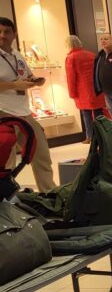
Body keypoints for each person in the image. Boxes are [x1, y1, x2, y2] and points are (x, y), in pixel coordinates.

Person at [0, 17, 55, 191]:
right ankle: (6, 196)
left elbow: (26, 75)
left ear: (14, 34)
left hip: (24, 112)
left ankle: (49, 193)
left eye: (7, 32)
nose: (2, 35)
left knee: (41, 153)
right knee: (6, 160)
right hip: (3, 113)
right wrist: (15, 85)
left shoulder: (17, 55)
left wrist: (34, 80)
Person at [63, 36, 104, 141]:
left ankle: (89, 136)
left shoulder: (71, 58)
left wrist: (72, 93)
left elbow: (71, 78)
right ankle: (102, 135)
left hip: (82, 90)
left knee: (86, 114)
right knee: (99, 113)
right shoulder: (91, 55)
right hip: (96, 88)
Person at [93, 32, 112, 121]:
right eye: (101, 39)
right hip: (107, 92)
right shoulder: (100, 55)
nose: (103, 41)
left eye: (106, 39)